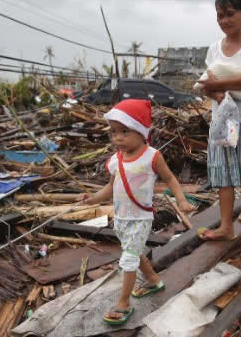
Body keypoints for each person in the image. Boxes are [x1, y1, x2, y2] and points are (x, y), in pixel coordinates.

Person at [78, 99, 195, 325]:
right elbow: (110, 188)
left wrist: (181, 199)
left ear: (141, 132)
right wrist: (91, 199)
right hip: (121, 217)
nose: (118, 137)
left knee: (129, 258)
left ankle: (123, 304)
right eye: (114, 132)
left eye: (124, 131)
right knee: (135, 251)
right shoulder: (116, 160)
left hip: (140, 218)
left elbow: (170, 178)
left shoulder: (152, 156)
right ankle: (152, 280)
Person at [195, 0, 241, 240]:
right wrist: (217, 95)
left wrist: (218, 86)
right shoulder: (214, 48)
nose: (224, 21)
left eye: (229, 14)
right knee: (223, 170)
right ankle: (226, 227)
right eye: (219, 16)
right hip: (224, 119)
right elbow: (208, 84)